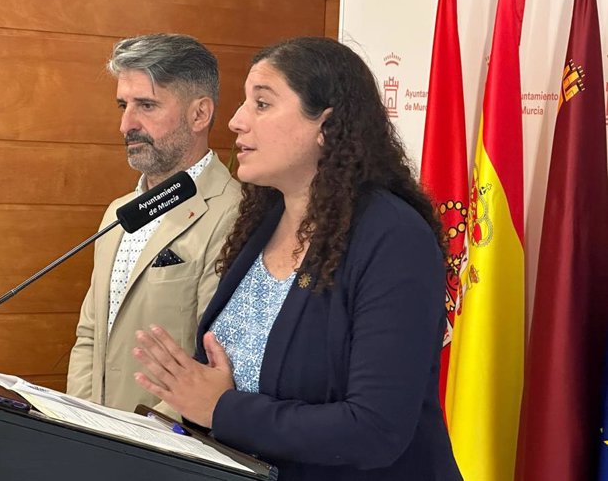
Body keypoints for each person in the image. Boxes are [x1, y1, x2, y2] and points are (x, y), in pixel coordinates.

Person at [131, 37, 462, 480]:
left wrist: (222, 409)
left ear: (325, 125)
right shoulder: (262, 220)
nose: (235, 121)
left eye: (262, 104)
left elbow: (375, 430)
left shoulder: (394, 238)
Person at [66, 34, 240, 415]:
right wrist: (80, 426)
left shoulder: (234, 212)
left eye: (146, 105)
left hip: (165, 450)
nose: (127, 124)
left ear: (200, 114)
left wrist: (144, 440)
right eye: (123, 106)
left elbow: (216, 358)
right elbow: (89, 336)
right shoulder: (118, 213)